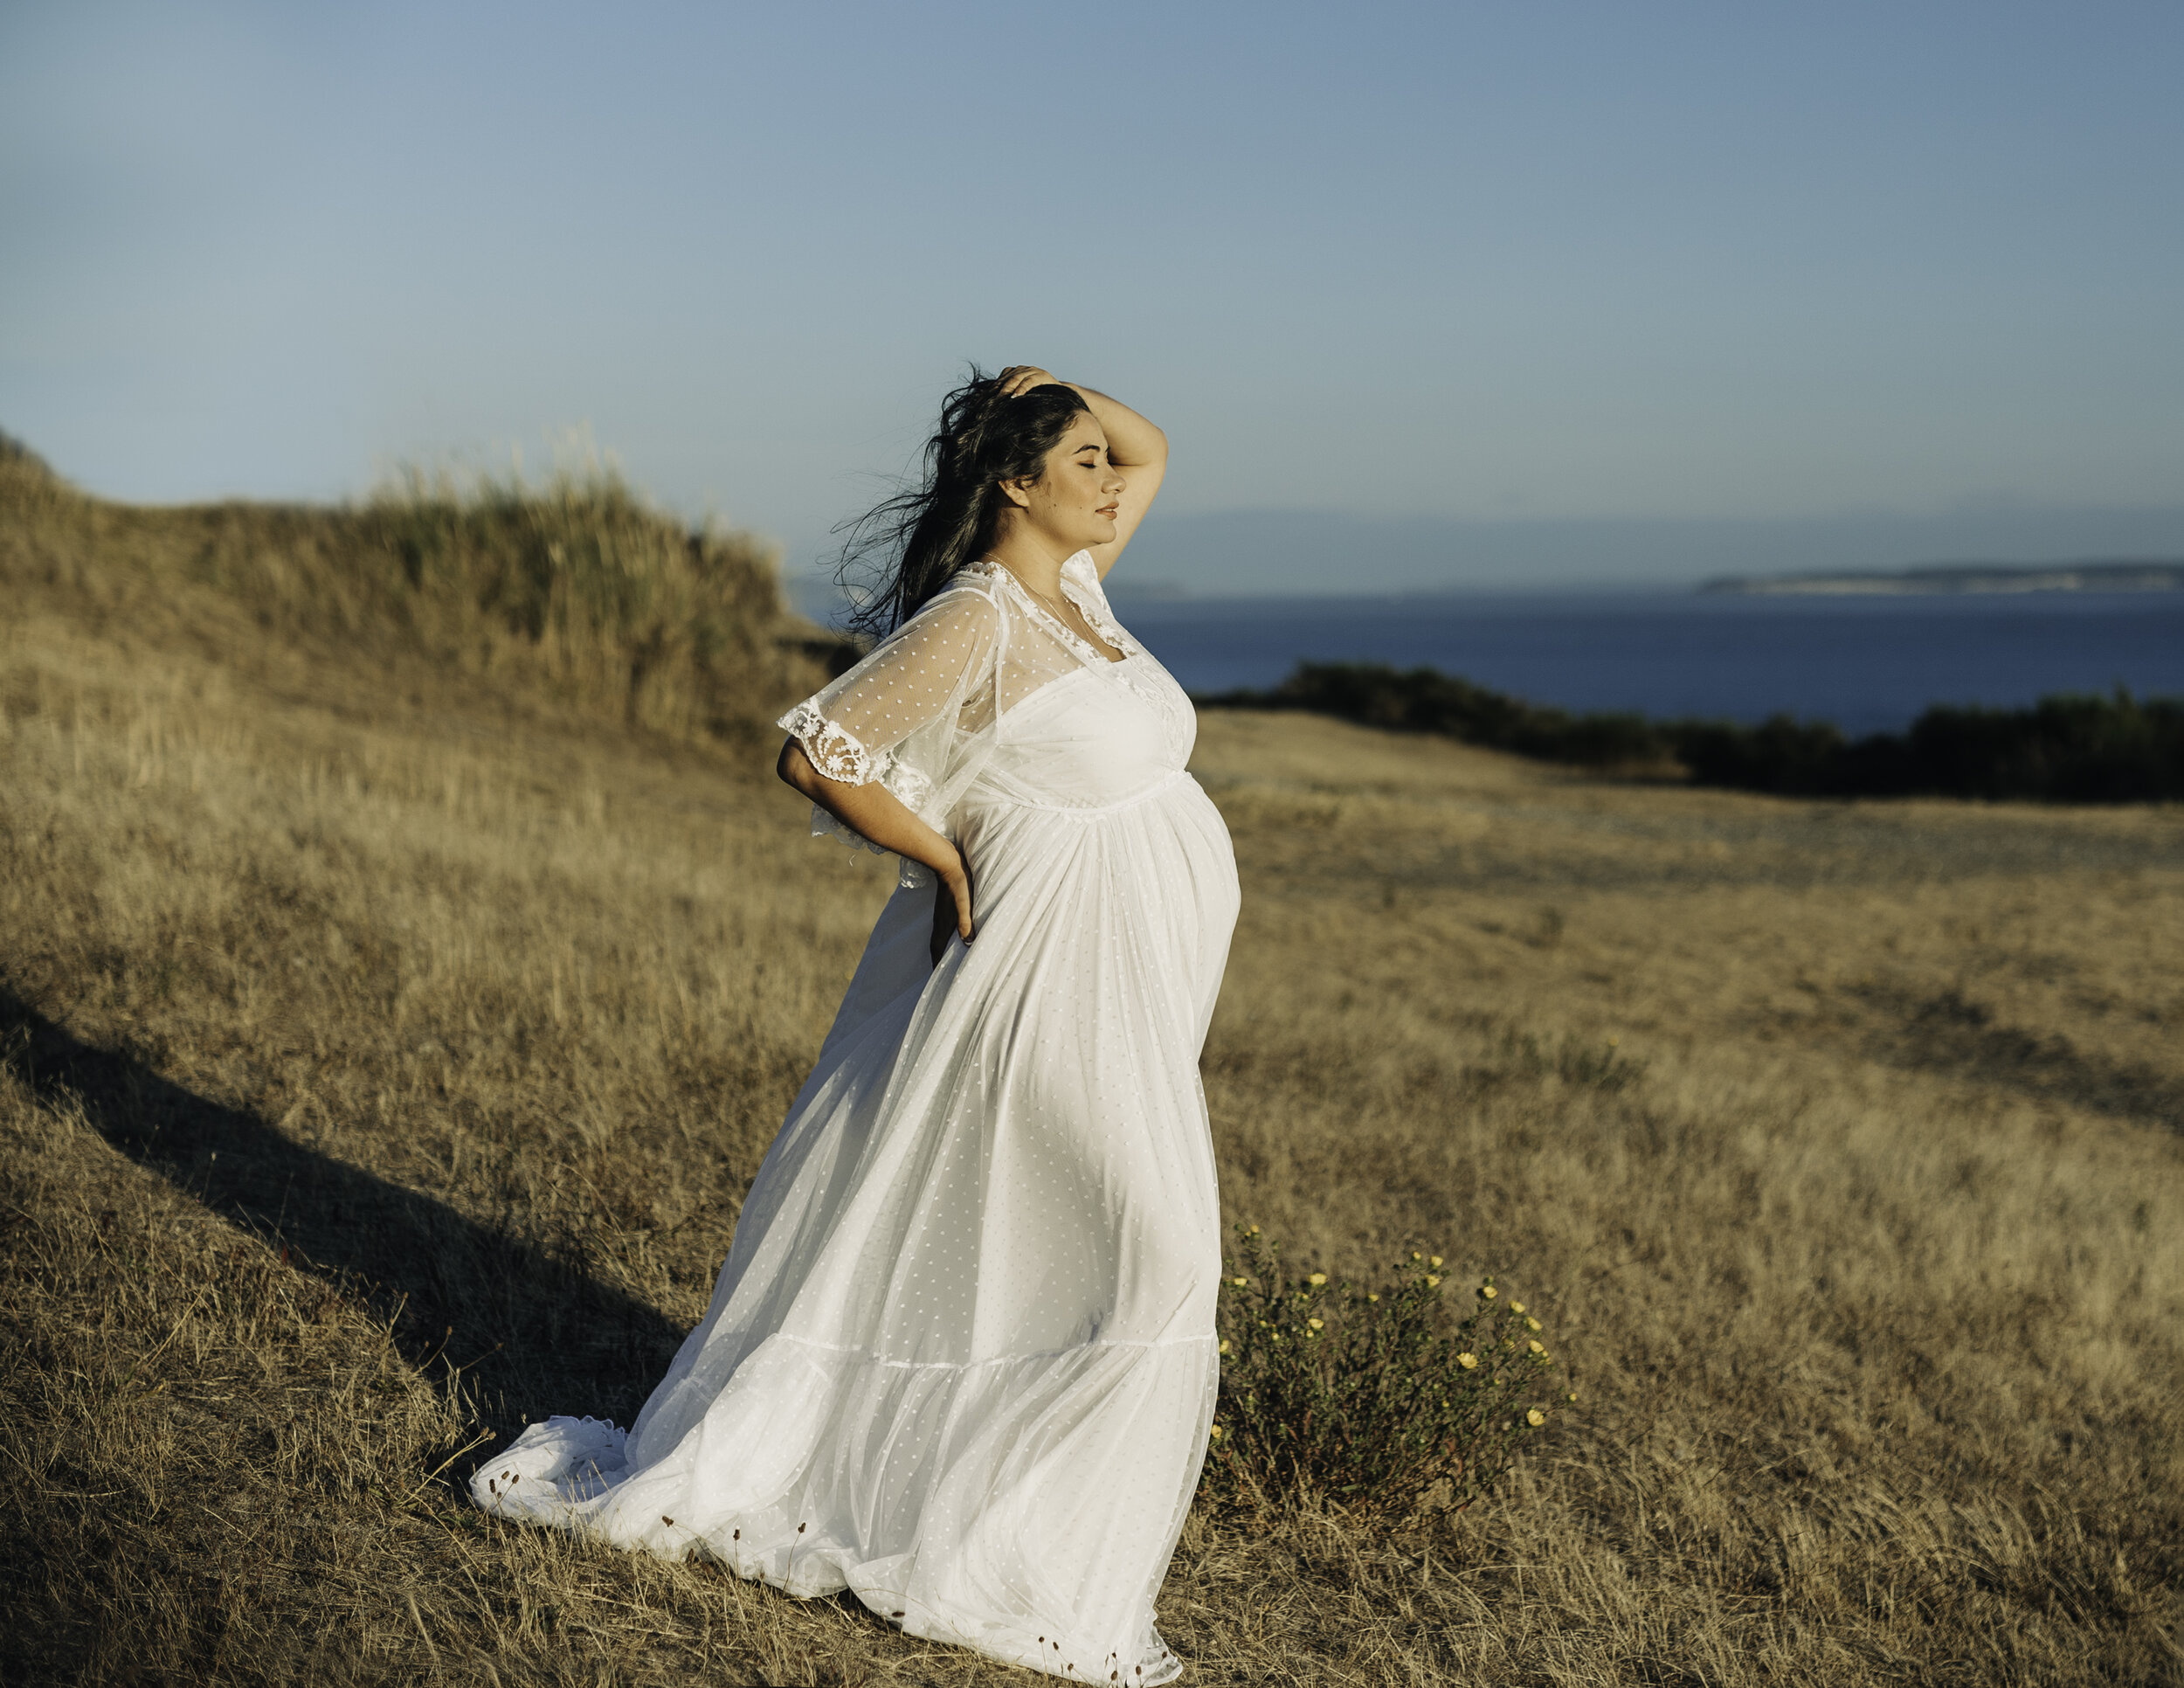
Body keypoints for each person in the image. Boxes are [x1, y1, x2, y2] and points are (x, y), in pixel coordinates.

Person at [472, 365, 1239, 1685]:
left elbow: (1158, 445)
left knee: (1060, 1238)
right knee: (1158, 1251)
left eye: (1107, 468)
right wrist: (947, 864)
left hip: (1134, 978)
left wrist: (1052, 383)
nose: (1115, 480)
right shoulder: (982, 617)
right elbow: (820, 753)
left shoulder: (1083, 588)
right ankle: (1013, 1551)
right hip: (1039, 972)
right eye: (1082, 461)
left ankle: (988, 1514)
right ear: (1016, 484)